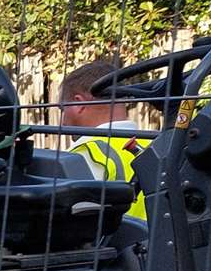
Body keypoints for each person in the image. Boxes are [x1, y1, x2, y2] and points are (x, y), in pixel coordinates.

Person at [58, 56, 147, 221]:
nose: (62, 120)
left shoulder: (88, 153)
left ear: (78, 103)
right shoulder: (154, 144)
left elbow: (69, 221)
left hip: (114, 246)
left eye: (63, 109)